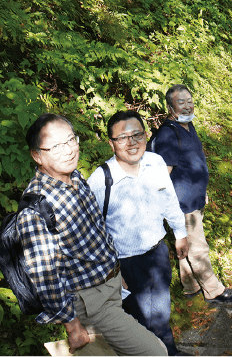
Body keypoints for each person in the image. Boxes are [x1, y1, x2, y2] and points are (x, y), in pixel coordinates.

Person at [17, 113, 167, 357]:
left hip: (110, 286)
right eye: (55, 146)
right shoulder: (37, 209)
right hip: (90, 302)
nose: (67, 150)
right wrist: (72, 325)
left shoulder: (75, 178)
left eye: (70, 140)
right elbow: (46, 276)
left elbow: (98, 230)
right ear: (37, 155)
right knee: (155, 352)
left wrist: (115, 270)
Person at [87, 110, 190, 357]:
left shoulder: (155, 162)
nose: (131, 143)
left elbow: (169, 198)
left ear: (146, 136)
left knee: (162, 312)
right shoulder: (101, 180)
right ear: (111, 143)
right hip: (125, 264)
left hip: (157, 254)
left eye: (137, 134)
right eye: (122, 138)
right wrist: (111, 271)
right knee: (139, 323)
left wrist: (180, 232)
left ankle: (170, 352)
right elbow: (92, 233)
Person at [150, 85, 232, 304]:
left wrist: (203, 192)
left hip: (194, 198)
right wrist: (169, 206)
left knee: (187, 245)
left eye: (189, 100)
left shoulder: (188, 125)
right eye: (181, 102)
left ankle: (190, 286)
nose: (188, 105)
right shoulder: (168, 134)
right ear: (170, 107)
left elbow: (194, 163)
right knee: (198, 247)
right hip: (182, 204)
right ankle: (214, 290)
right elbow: (163, 176)